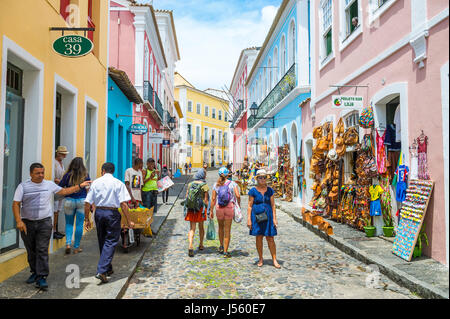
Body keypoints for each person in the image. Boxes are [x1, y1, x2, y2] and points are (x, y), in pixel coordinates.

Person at [12, 163, 91, 290]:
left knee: (42, 249)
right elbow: (16, 204)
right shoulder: (23, 187)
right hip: (27, 223)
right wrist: (19, 221)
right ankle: (34, 272)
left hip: (45, 222)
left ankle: (42, 277)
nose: (41, 175)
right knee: (31, 250)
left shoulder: (49, 184)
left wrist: (79, 186)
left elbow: (64, 191)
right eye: (38, 173)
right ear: (31, 174)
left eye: (42, 172)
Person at [84, 163, 134, 284]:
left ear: (103, 171)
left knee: (102, 240)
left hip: (99, 213)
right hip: (112, 214)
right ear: (113, 171)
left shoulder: (95, 182)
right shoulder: (118, 183)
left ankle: (108, 268)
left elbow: (87, 203)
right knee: (111, 241)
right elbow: (124, 204)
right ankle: (102, 270)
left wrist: (87, 219)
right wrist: (128, 220)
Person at [247, 169, 280, 269]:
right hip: (257, 217)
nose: (262, 179)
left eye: (264, 177)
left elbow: (273, 205)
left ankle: (274, 259)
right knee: (259, 237)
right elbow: (249, 205)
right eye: (260, 177)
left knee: (270, 238)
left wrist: (274, 218)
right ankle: (260, 258)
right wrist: (249, 219)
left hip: (268, 217)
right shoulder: (253, 191)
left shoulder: (270, 190)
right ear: (257, 178)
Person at [58, 157, 91, 255]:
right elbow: (88, 189)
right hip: (82, 201)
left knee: (69, 224)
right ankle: (76, 247)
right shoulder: (85, 175)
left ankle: (68, 244)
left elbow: (60, 186)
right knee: (79, 225)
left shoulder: (67, 175)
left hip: (69, 201)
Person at [209, 167, 240, 258]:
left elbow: (213, 199)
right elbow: (238, 195)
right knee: (227, 230)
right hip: (229, 207)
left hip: (219, 208)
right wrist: (238, 204)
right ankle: (226, 252)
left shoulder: (216, 184)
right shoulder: (232, 184)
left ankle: (221, 246)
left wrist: (211, 210)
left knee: (220, 227)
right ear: (228, 174)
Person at [185, 169, 209, 257]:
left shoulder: (190, 184)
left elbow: (187, 197)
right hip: (200, 209)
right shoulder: (204, 185)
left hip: (191, 209)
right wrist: (208, 209)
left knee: (192, 228)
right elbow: (206, 200)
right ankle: (201, 244)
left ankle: (190, 245)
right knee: (201, 227)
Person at [53, 146, 69, 240]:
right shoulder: (54, 163)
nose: (64, 156)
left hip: (61, 190)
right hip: (56, 189)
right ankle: (54, 231)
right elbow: (54, 178)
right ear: (58, 154)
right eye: (63, 154)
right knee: (55, 211)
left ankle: (56, 229)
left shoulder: (61, 163)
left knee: (58, 211)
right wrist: (61, 182)